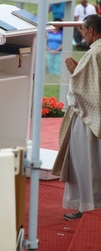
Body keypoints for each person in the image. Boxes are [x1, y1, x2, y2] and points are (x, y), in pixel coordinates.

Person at [52, 14, 101, 219]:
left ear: (91, 30)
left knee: (86, 161)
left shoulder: (93, 54)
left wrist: (74, 73)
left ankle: (87, 205)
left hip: (89, 118)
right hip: (95, 114)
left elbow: (83, 90)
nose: (81, 32)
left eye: (82, 29)